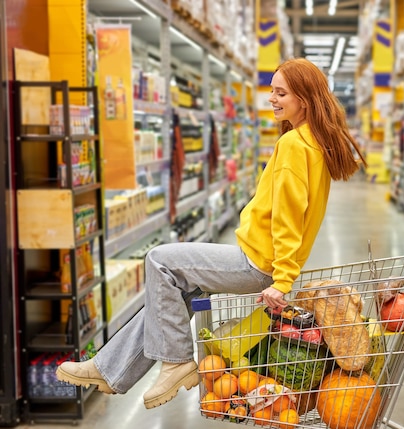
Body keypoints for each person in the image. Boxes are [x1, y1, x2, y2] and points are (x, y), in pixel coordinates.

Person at [57, 58, 366, 409]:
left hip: (258, 262)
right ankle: (109, 368)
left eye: (281, 93)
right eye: (272, 91)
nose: (272, 99)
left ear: (305, 99)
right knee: (176, 291)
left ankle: (176, 362)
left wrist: (283, 279)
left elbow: (290, 217)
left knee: (160, 260)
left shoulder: (295, 144)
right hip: (261, 258)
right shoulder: (313, 143)